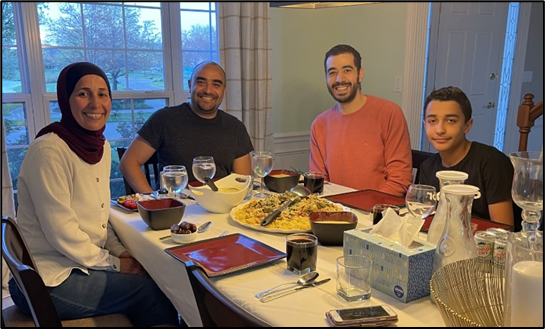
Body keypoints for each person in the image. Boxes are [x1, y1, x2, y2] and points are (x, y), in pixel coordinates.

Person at [11, 62, 180, 326]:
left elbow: (101, 219)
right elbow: (62, 233)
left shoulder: (101, 148)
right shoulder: (49, 151)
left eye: (102, 94)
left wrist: (120, 252)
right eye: (83, 93)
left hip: (77, 264)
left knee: (154, 275)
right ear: (65, 100)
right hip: (49, 279)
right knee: (153, 292)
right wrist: (113, 263)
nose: (95, 103)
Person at [120, 61, 254, 192]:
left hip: (221, 207)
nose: (208, 90)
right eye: (201, 82)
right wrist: (152, 201)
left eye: (216, 84)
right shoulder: (164, 119)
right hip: (176, 207)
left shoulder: (235, 127)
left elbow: (242, 182)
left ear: (224, 91)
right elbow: (128, 163)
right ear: (190, 85)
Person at [309, 44, 413, 197]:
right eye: (332, 72)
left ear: (360, 74)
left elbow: (400, 180)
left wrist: (367, 208)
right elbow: (319, 184)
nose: (339, 79)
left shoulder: (390, 113)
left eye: (347, 70)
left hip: (377, 213)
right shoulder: (319, 124)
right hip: (335, 213)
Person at [418, 86, 520, 231]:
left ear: (467, 125)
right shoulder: (427, 167)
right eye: (432, 121)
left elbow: (503, 230)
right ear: (425, 125)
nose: (440, 130)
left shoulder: (492, 162)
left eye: (451, 121)